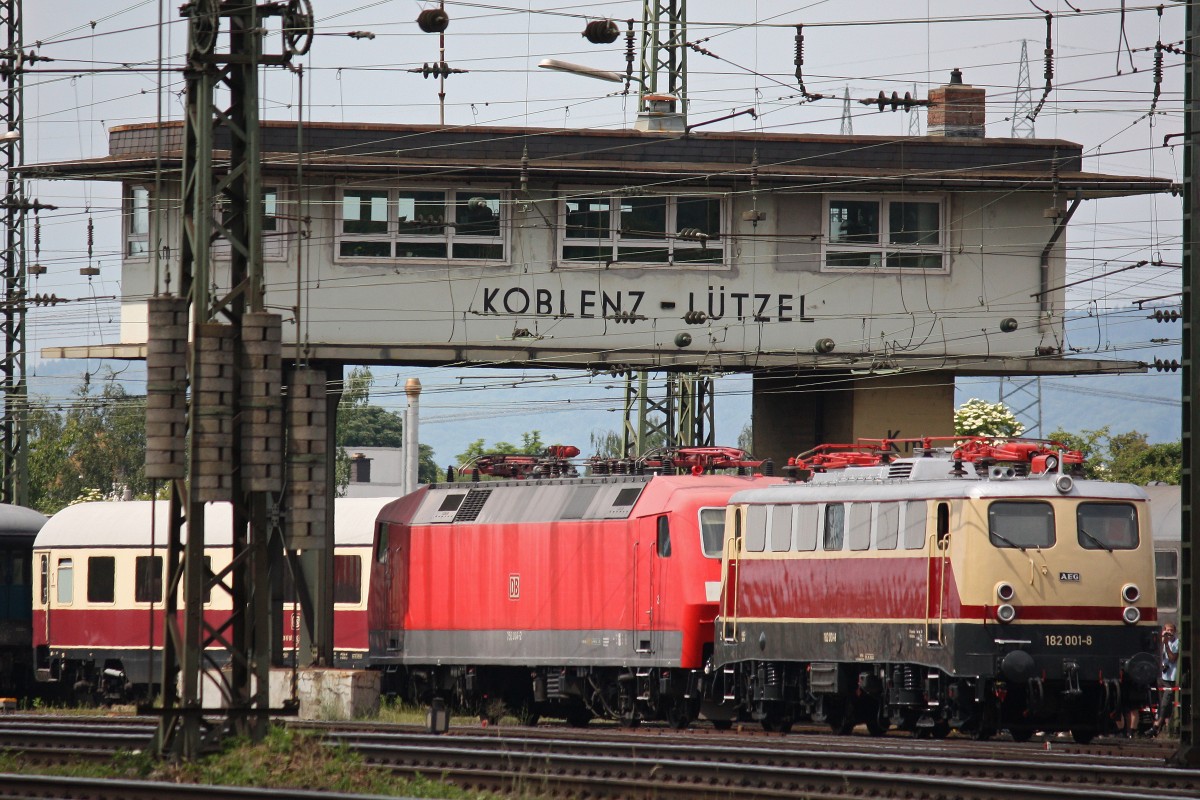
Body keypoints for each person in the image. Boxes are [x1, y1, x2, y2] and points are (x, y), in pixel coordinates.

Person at [1152, 623, 1180, 737]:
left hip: (1171, 678)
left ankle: (1157, 724)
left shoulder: (1176, 643)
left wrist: (1167, 644)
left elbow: (1173, 659)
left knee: (1165, 703)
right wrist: (1160, 642)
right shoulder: (1161, 642)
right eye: (1167, 630)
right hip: (1161, 677)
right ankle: (1165, 729)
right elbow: (1157, 657)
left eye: (1171, 630)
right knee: (1162, 704)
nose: (1169, 632)